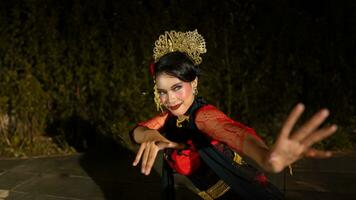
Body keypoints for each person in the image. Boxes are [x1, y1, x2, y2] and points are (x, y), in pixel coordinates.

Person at [130, 30, 337, 200]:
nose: (170, 99)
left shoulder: (203, 116)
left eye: (176, 87)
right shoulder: (171, 118)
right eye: (162, 92)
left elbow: (233, 132)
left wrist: (264, 156)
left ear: (193, 83)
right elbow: (136, 132)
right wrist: (150, 136)